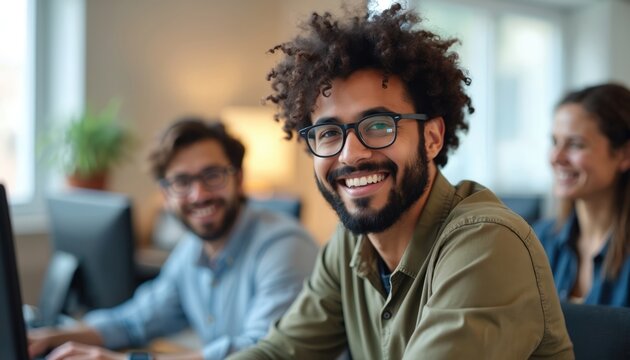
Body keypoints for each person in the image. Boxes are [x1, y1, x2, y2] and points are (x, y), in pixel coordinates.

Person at [228, 4, 573, 359]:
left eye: (379, 125)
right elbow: (279, 352)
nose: (350, 155)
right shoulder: (349, 245)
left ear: (432, 138)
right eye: (329, 133)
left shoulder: (488, 243)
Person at [29, 118, 319, 360]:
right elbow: (134, 322)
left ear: (239, 178)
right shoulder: (191, 251)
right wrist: (49, 337)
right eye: (182, 182)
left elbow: (259, 352)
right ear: (166, 195)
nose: (199, 194)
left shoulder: (284, 246)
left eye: (213, 175)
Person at [534, 83, 630, 307]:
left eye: (575, 144)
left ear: (624, 154)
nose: (556, 157)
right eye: (555, 142)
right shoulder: (537, 243)